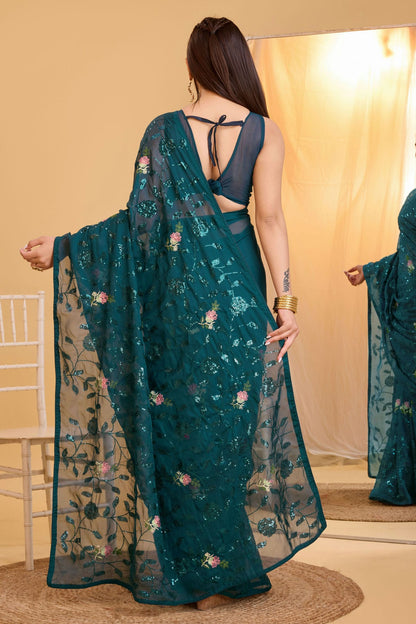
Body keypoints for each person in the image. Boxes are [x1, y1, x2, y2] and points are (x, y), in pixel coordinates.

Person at [20, 17, 325, 609]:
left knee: (181, 432)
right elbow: (269, 220)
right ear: (240, 63)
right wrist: (286, 303)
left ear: (192, 65)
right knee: (228, 433)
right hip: (240, 299)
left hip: (178, 306)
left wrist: (64, 246)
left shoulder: (163, 130)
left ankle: (196, 573)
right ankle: (221, 568)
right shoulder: (265, 132)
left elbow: (138, 225)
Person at [345, 188, 416, 505]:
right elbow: (407, 254)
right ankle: (405, 478)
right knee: (407, 394)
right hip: (407, 308)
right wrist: (371, 269)